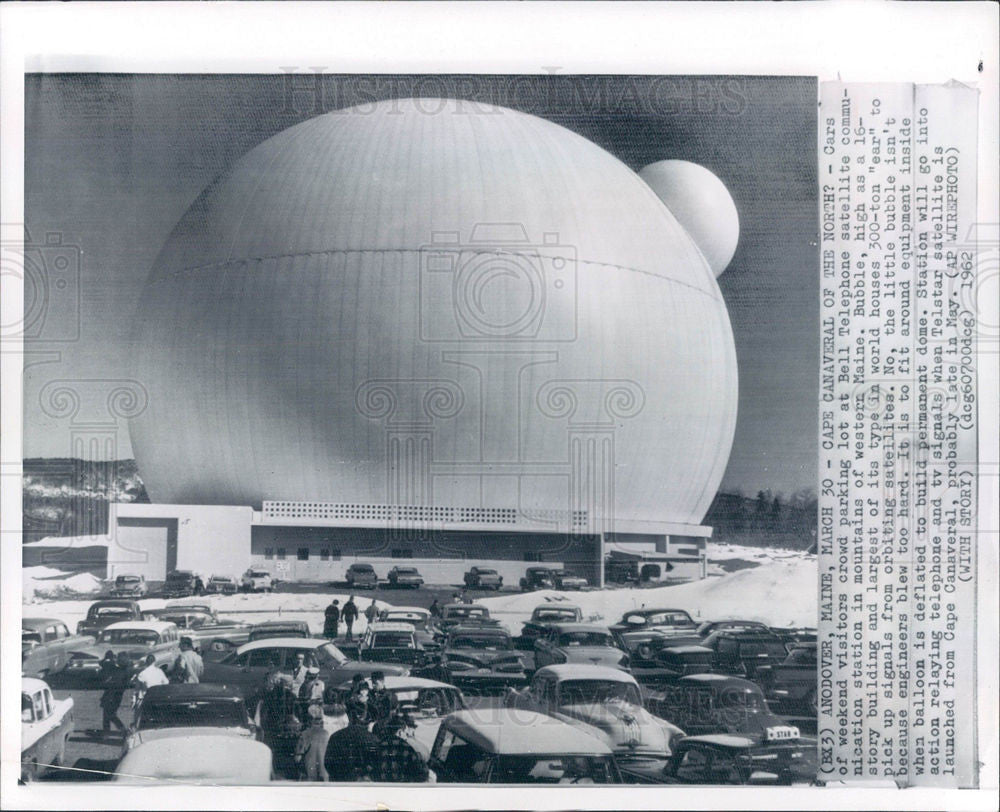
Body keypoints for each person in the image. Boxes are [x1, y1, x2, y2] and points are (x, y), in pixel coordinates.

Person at [257, 672, 302, 779]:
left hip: (272, 731)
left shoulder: (269, 695)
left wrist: (265, 728)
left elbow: (264, 715)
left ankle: (274, 775)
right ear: (288, 684)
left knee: (274, 757)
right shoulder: (292, 697)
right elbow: (299, 714)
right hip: (288, 731)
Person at [372, 713, 429, 783]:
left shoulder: (377, 747)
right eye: (406, 733)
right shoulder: (406, 748)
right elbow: (422, 773)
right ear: (400, 732)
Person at [294, 704, 331, 781]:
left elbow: (297, 759)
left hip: (310, 776)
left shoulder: (305, 734)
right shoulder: (327, 734)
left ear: (309, 719)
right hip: (324, 775)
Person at [98, 650, 129, 737]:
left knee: (109, 715)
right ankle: (108, 732)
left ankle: (121, 729)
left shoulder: (117, 671)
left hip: (112, 695)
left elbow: (102, 664)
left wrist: (107, 658)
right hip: (116, 696)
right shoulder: (124, 671)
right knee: (109, 714)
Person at [367, 671, 398, 736]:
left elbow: (391, 716)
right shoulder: (369, 694)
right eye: (372, 683)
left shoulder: (391, 696)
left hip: (384, 729)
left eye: (375, 683)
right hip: (369, 727)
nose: (373, 685)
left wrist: (375, 724)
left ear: (382, 682)